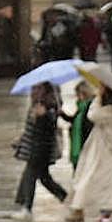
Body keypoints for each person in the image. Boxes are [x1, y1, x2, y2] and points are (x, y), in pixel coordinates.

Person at [66, 86, 112, 222]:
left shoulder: (110, 110)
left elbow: (92, 115)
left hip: (107, 151)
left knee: (96, 180)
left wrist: (97, 98)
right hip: (102, 151)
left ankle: (92, 211)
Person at [12, 82, 67, 214]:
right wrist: (21, 139)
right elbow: (30, 128)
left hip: (41, 149)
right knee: (44, 178)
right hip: (33, 146)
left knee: (30, 175)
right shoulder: (36, 105)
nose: (32, 92)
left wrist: (44, 117)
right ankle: (65, 197)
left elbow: (49, 130)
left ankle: (26, 206)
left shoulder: (49, 107)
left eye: (36, 89)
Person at [58, 81, 95, 170]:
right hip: (77, 146)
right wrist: (62, 114)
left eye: (78, 94)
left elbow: (87, 126)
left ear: (84, 93)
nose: (77, 97)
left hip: (85, 147)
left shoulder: (90, 107)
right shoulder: (80, 108)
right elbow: (74, 120)